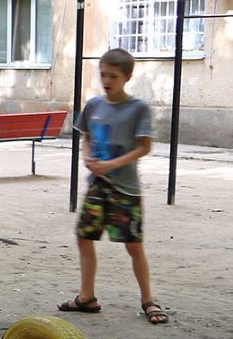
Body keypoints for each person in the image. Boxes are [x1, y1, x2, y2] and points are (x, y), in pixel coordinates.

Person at [57, 48, 168, 325]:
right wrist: (87, 157)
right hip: (98, 186)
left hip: (125, 190)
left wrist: (112, 163)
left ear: (127, 77)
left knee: (134, 246)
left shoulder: (137, 108)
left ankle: (148, 300)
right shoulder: (94, 105)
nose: (106, 80)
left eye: (113, 76)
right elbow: (86, 138)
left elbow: (145, 147)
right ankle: (87, 297)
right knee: (84, 237)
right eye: (103, 74)